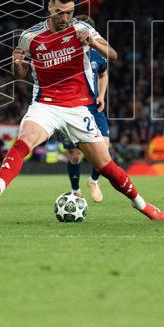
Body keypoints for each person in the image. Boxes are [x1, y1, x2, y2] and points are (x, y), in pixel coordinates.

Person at [0, 0, 164, 221]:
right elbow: (21, 75)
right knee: (24, 141)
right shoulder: (30, 37)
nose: (65, 18)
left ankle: (141, 204)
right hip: (46, 103)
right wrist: (17, 66)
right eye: (60, 12)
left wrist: (92, 41)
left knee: (106, 166)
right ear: (49, 7)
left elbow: (113, 54)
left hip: (79, 108)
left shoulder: (81, 28)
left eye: (69, 12)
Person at [59, 16, 107, 202]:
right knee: (74, 155)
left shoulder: (98, 54)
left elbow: (104, 74)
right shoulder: (65, 53)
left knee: (104, 148)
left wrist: (102, 96)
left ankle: (93, 181)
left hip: (94, 106)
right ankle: (75, 189)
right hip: (71, 107)